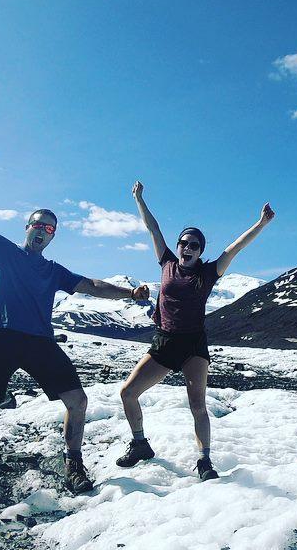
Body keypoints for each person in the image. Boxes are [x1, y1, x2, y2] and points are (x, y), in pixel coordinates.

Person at [0, 165, 149, 494]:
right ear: (28, 227)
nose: (42, 231)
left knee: (78, 401)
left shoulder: (53, 270)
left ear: (52, 235)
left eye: (49, 227)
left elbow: (91, 285)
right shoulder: (3, 251)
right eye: (38, 224)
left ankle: (73, 463)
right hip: (0, 336)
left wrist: (129, 292)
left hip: (39, 342)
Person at [117, 181, 274, 480]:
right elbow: (153, 228)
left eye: (194, 245)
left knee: (198, 405)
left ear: (201, 251)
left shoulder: (208, 272)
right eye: (184, 244)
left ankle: (204, 461)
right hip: (163, 342)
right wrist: (139, 199)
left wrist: (261, 223)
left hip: (193, 346)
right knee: (128, 393)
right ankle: (140, 444)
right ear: (177, 247)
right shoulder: (166, 262)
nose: (187, 248)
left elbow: (236, 248)